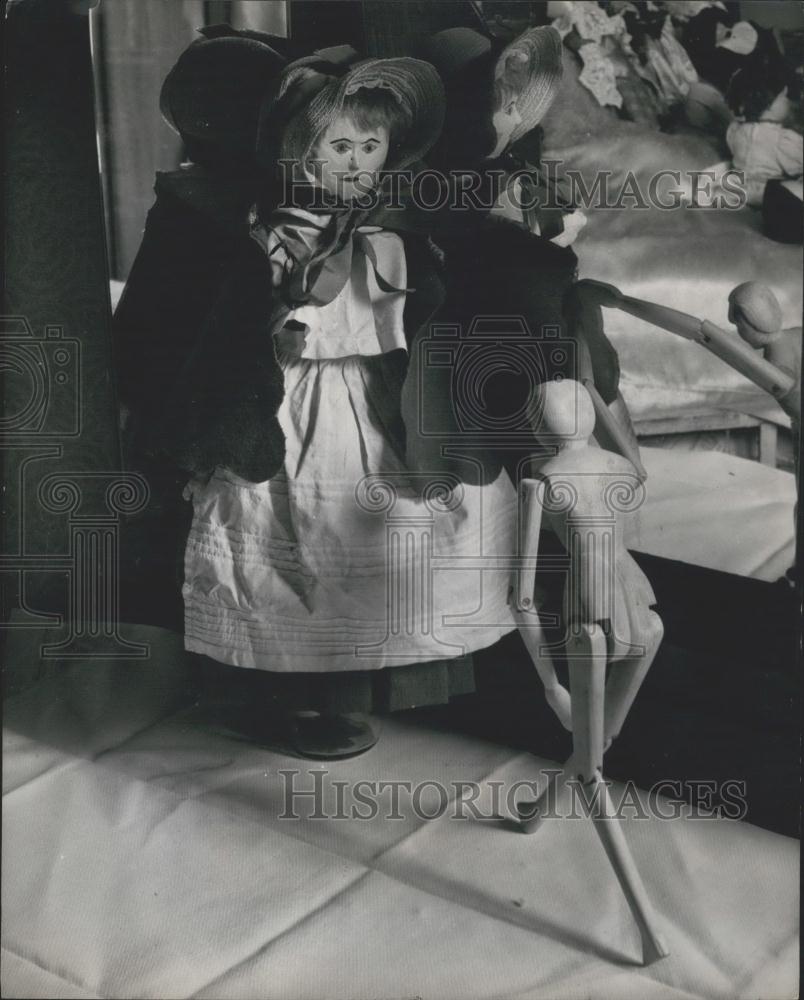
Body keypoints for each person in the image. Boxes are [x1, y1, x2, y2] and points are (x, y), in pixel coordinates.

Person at [179, 52, 524, 758]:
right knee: (306, 533)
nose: (358, 162)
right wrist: (288, 297)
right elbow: (245, 325)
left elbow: (422, 300)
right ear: (301, 151)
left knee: (411, 514)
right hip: (301, 396)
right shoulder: (281, 229)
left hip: (376, 388)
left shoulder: (388, 227)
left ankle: (376, 680)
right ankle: (294, 696)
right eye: (340, 146)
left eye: (371, 147)